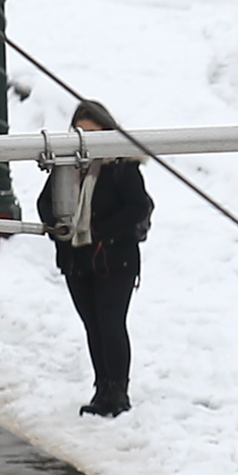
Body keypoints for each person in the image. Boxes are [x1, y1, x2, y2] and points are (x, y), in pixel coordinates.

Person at [44, 102, 153, 418]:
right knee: (92, 325)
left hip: (114, 260)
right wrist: (58, 227)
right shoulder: (65, 166)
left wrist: (99, 230)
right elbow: (45, 201)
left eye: (93, 134)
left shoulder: (121, 166)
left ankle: (117, 391)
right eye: (80, 133)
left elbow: (139, 207)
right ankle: (101, 387)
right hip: (77, 260)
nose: (86, 140)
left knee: (110, 323)